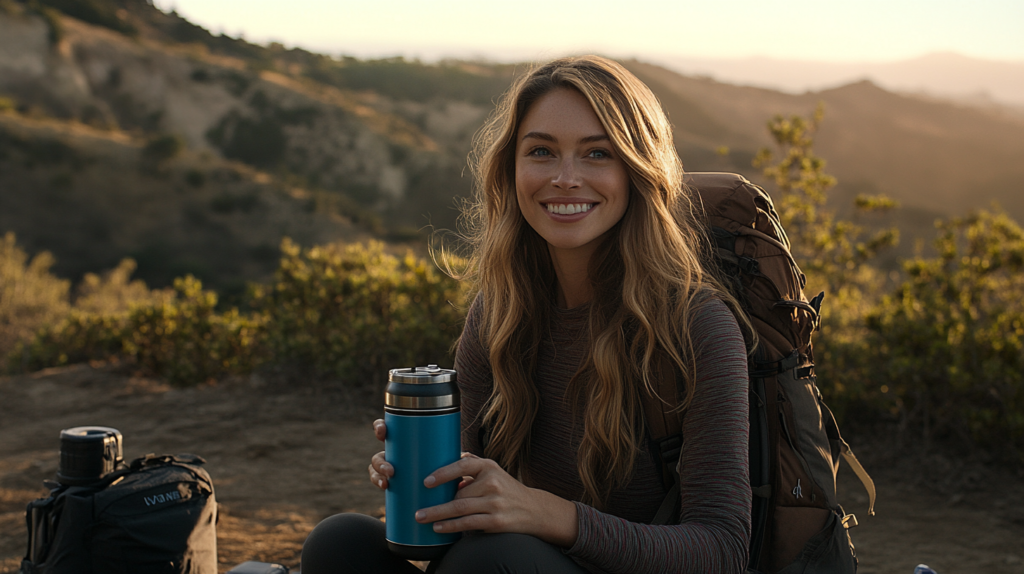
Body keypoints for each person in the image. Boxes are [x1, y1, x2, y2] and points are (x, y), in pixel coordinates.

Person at [301, 55, 753, 574]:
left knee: (493, 557)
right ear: (511, 169)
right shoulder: (501, 309)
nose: (565, 178)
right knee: (338, 544)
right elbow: (464, 495)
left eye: (597, 153)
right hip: (500, 564)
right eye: (541, 151)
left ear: (637, 172)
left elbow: (722, 549)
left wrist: (551, 515)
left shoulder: (695, 327)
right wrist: (426, 475)